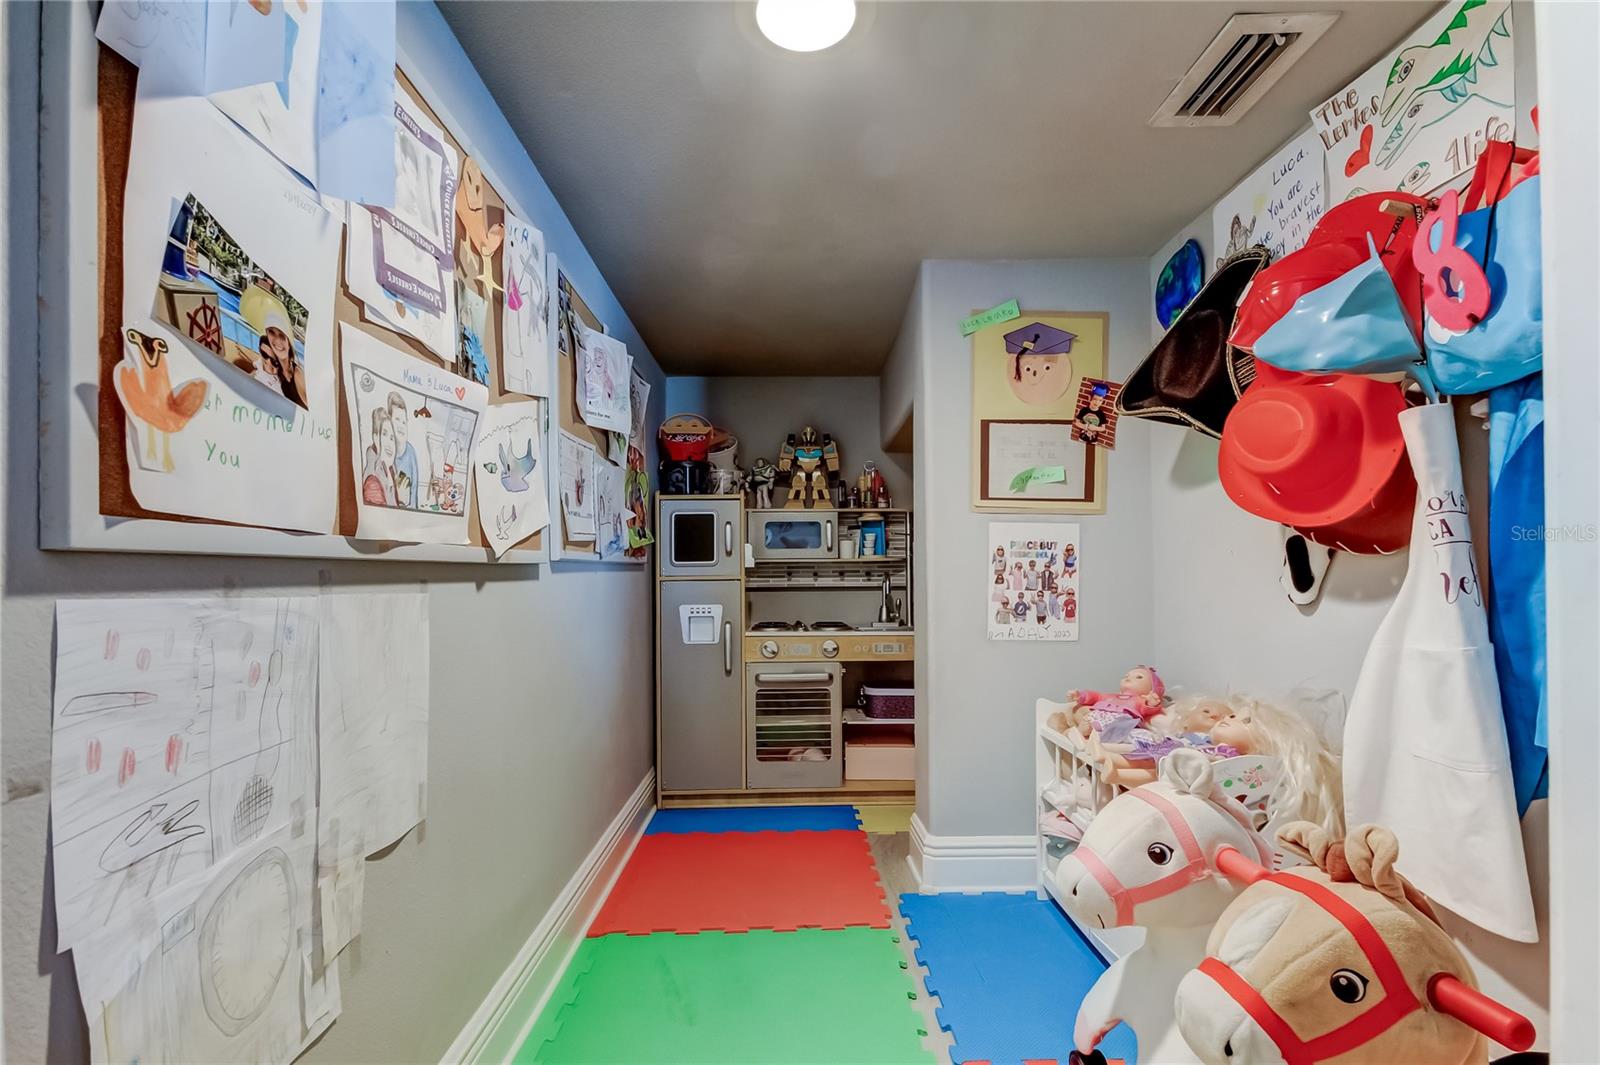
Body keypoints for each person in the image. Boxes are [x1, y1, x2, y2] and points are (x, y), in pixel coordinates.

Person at [259, 306, 307, 409]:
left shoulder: (298, 374)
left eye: (282, 335)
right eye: (271, 332)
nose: (277, 340)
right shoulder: (279, 373)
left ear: (289, 343)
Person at [387, 391, 419, 509]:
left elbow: (414, 492)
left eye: (404, 422)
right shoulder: (387, 451)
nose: (401, 425)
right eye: (397, 419)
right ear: (389, 421)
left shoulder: (411, 452)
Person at [361, 407, 398, 507]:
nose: (390, 444)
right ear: (376, 438)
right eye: (385, 434)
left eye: (392, 438)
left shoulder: (388, 473)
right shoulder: (373, 483)